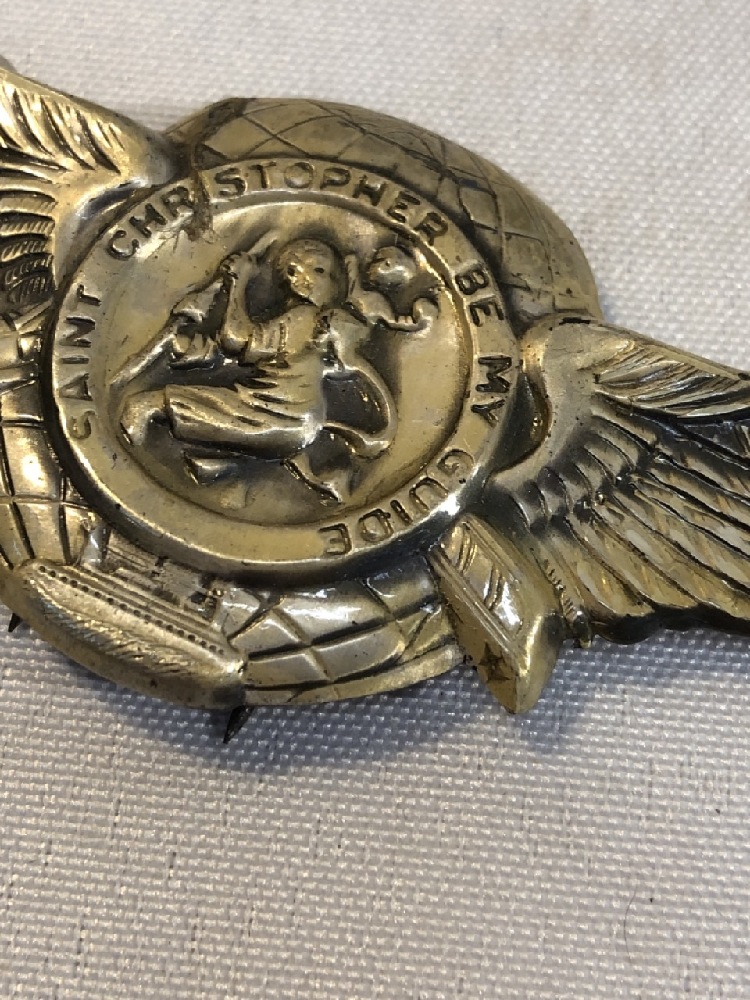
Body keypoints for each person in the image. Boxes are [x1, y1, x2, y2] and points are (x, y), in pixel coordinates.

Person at [117, 236, 398, 504]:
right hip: (295, 417)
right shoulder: (331, 324)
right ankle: (222, 467)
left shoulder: (305, 316)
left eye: (318, 270)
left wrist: (238, 281)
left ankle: (148, 419)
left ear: (338, 280)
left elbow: (237, 340)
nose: (303, 280)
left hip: (277, 411)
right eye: (292, 272)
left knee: (156, 405)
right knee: (228, 430)